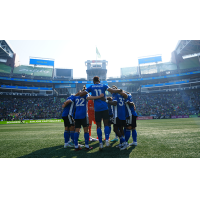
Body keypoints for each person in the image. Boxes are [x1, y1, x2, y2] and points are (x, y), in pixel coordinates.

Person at [79, 76, 123, 151]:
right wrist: (120, 90)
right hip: (105, 108)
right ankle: (107, 142)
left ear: (93, 81)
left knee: (98, 126)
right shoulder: (104, 85)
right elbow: (112, 90)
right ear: (99, 80)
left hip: (97, 109)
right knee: (106, 124)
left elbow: (82, 94)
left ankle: (100, 144)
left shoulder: (91, 87)